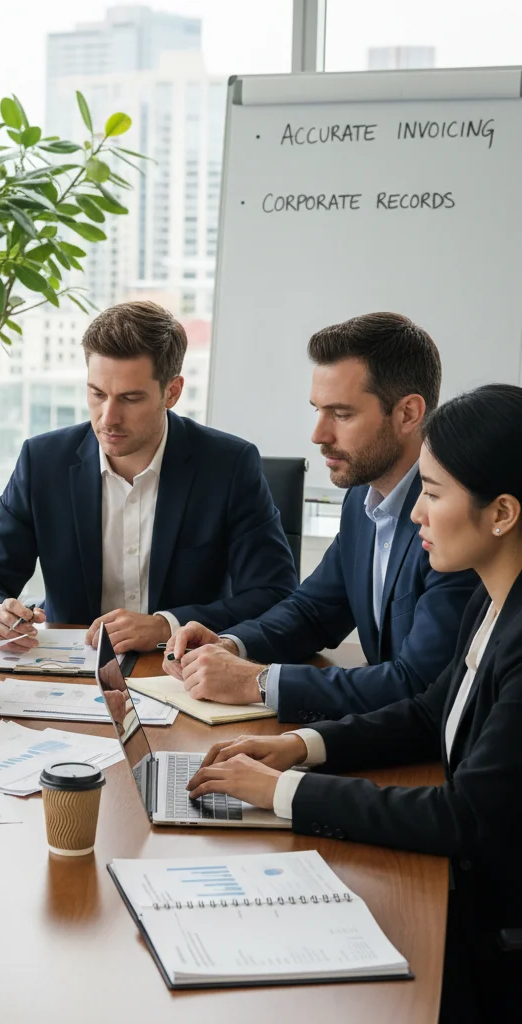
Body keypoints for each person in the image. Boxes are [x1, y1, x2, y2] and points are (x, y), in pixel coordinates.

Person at [185, 384, 522, 1020]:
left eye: (436, 493)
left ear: (501, 513)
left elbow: (465, 818)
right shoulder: (491, 598)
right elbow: (430, 712)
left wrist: (281, 794)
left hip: (491, 940)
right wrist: (299, 747)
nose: (417, 512)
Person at [163, 312, 477, 722]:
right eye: (317, 410)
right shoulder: (363, 498)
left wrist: (256, 681)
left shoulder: (453, 519)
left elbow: (418, 682)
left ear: (408, 413)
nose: (318, 435)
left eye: (341, 414)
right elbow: (314, 610)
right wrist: (231, 645)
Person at [0, 301, 298, 653]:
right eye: (97, 394)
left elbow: (274, 594)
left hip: (183, 669)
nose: (108, 418)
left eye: (130, 398)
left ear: (172, 392)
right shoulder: (43, 462)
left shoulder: (229, 465)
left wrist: (166, 624)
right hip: (68, 666)